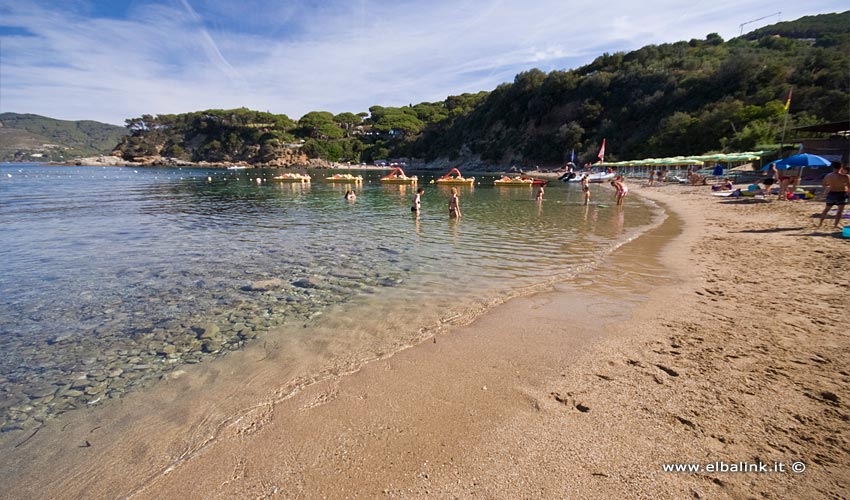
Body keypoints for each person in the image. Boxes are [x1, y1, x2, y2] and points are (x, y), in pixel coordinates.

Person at [817, 163, 850, 228]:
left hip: (831, 193)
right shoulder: (845, 176)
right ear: (841, 167)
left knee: (826, 209)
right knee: (839, 211)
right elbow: (849, 186)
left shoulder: (828, 176)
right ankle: (836, 224)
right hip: (841, 194)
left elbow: (824, 184)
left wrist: (831, 185)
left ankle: (820, 223)